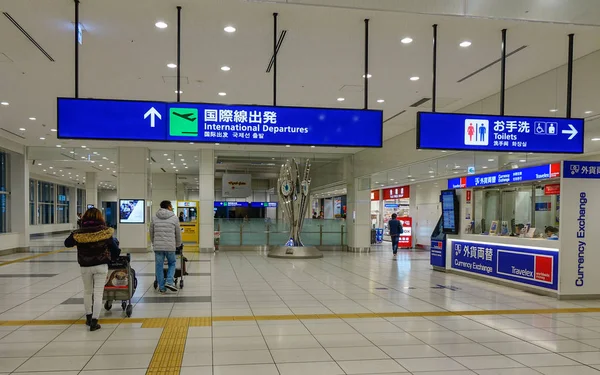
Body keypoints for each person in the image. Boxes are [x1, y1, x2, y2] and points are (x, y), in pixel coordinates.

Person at [64, 208, 120, 332]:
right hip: (101, 265)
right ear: (100, 217)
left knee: (88, 291)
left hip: (85, 266)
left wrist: (76, 236)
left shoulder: (79, 233)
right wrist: (112, 257)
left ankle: (88, 317)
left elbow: (67, 243)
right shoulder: (105, 232)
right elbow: (115, 250)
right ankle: (95, 321)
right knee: (98, 293)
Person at [150, 200, 182, 293]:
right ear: (168, 207)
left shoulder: (154, 217)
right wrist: (178, 244)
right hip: (170, 246)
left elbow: (151, 232)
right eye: (171, 206)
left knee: (159, 266)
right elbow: (178, 233)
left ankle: (162, 288)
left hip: (158, 247)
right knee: (172, 263)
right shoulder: (174, 217)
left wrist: (154, 242)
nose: (172, 208)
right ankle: (169, 281)